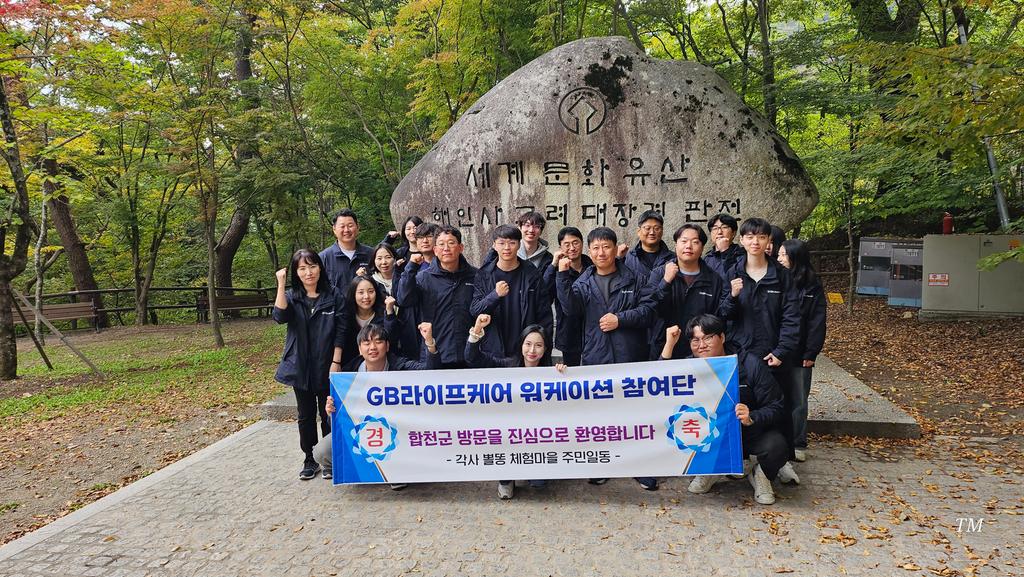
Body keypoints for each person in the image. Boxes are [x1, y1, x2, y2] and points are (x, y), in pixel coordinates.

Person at [556, 226, 657, 490]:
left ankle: (641, 466)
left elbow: (648, 312)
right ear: (590, 251)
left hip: (630, 356)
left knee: (635, 416)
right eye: (596, 248)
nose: (601, 253)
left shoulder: (635, 279)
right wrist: (562, 277)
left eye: (606, 247)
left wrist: (620, 319)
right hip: (596, 356)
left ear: (615, 249)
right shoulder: (581, 282)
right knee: (601, 416)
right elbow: (570, 309)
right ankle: (603, 464)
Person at [660, 314, 789, 505]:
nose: (701, 345)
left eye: (708, 337)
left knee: (777, 446)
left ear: (722, 337)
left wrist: (752, 416)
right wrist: (669, 344)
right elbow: (657, 387)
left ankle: (761, 474)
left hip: (748, 434)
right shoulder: (690, 366)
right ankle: (712, 471)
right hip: (710, 436)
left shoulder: (749, 364)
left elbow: (777, 405)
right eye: (695, 340)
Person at [314, 322, 440, 486]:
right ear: (360, 349)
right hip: (364, 434)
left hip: (399, 431)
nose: (372, 347)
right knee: (321, 452)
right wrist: (331, 412)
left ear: (387, 346)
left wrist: (429, 342)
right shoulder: (347, 375)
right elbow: (339, 424)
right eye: (366, 343)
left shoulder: (400, 367)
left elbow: (432, 373)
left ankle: (396, 472)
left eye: (378, 341)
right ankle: (367, 470)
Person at [465, 314, 567, 499]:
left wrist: (563, 375)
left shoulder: (551, 372)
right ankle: (506, 479)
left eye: (538, 345)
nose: (532, 350)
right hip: (509, 432)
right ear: (521, 345)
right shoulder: (508, 366)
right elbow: (473, 358)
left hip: (537, 434)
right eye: (528, 344)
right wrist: (477, 331)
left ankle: (534, 472)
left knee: (539, 484)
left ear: (545, 349)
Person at [273, 249, 347, 480]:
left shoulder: (334, 295)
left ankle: (328, 459)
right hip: (300, 366)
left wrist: (336, 361)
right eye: (302, 268)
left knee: (328, 412)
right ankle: (309, 458)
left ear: (320, 268)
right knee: (305, 415)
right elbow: (279, 317)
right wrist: (281, 282)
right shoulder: (292, 296)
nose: (308, 272)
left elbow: (342, 330)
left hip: (327, 364)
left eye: (312, 266)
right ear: (296, 272)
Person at [396, 225, 478, 368]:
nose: (446, 248)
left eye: (451, 243)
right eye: (441, 244)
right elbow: (404, 299)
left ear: (461, 247)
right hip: (436, 353)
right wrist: (410, 268)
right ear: (435, 250)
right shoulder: (423, 278)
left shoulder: (475, 275)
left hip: (470, 353)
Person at [643, 223, 727, 360]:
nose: (688, 246)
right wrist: (665, 282)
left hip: (700, 350)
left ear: (702, 248)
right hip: (664, 347)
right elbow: (650, 308)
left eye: (695, 242)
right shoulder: (660, 273)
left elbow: (717, 316)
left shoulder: (713, 279)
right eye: (684, 241)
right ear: (676, 245)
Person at [777, 239, 826, 463]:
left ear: (796, 257)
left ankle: (798, 442)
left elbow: (817, 322)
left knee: (798, 399)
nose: (779, 259)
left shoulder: (812, 286)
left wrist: (811, 352)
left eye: (783, 255)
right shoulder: (777, 280)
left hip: (800, 354)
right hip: (778, 351)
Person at [470, 224, 552, 358]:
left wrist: (544, 351)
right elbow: (475, 310)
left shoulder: (532, 275)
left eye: (512, 243)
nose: (507, 248)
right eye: (501, 243)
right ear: (494, 245)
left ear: (519, 245)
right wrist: (495, 295)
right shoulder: (484, 274)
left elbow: (544, 314)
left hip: (524, 351)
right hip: (493, 349)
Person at [543, 226, 592, 366]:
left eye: (575, 243)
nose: (572, 248)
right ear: (560, 247)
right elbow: (544, 294)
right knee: (572, 369)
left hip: (591, 327)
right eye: (567, 244)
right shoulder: (556, 269)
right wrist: (553, 265)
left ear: (582, 243)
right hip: (568, 329)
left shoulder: (592, 265)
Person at [339, 275, 398, 367]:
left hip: (381, 367)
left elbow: (391, 340)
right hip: (350, 369)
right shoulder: (346, 316)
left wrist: (389, 313)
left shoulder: (384, 313)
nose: (366, 296)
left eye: (371, 292)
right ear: (353, 294)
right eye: (361, 292)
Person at [319, 209, 374, 291]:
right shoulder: (323, 258)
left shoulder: (371, 254)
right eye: (342, 226)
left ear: (358, 227)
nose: (346, 230)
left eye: (350, 225)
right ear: (334, 229)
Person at [619, 210, 673, 282]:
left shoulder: (672, 258)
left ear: (662, 231)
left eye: (656, 228)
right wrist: (618, 259)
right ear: (639, 231)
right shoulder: (628, 259)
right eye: (647, 228)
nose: (652, 232)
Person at [704, 213, 744, 280]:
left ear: (734, 233)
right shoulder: (707, 259)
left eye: (724, 227)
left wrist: (725, 251)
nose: (719, 232)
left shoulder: (742, 255)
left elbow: (737, 279)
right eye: (715, 228)